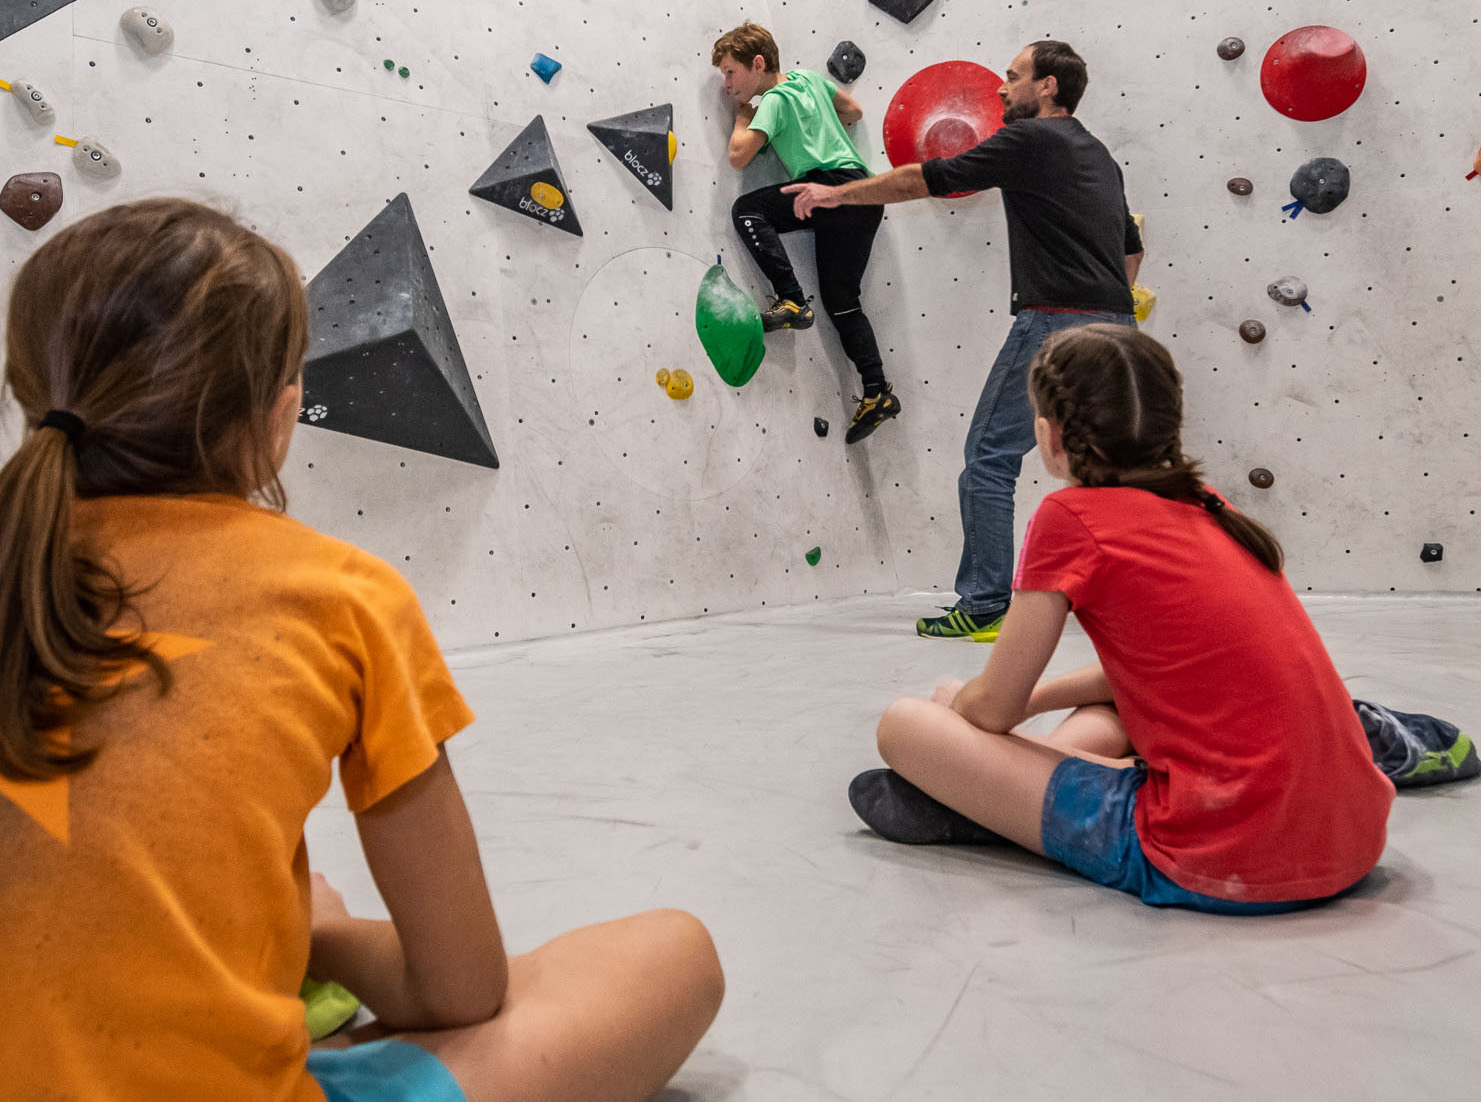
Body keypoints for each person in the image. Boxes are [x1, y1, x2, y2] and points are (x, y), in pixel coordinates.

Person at [0, 199, 724, 1100]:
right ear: (278, 414)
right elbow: (461, 988)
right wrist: (324, 933)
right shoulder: (340, 597)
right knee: (673, 955)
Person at [846, 325, 1397, 914]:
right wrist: (1032, 707)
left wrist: (964, 708)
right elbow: (1148, 677)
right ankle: (1002, 794)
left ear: (1048, 436)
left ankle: (991, 806)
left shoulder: (1070, 517)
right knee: (1107, 716)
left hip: (1220, 854)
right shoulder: (1208, 504)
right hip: (1352, 836)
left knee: (908, 724)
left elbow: (993, 710)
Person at [785, 41, 1145, 639]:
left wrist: (838, 193)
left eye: (1013, 76)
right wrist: (1105, 308)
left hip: (1054, 324)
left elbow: (929, 178)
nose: (1001, 88)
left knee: (988, 459)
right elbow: (1132, 248)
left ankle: (983, 606)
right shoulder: (1098, 154)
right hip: (1117, 328)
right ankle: (1134, 599)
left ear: (1048, 86)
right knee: (1108, 469)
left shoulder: (1030, 140)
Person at [713, 21, 902, 444]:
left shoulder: (774, 100)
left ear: (757, 63)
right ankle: (876, 391)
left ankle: (792, 300)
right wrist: (818, 127)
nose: (727, 84)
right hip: (863, 193)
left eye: (730, 72)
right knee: (842, 301)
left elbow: (739, 156)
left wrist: (743, 116)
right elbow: (854, 111)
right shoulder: (809, 80)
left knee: (747, 211)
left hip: (827, 187)